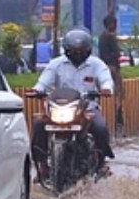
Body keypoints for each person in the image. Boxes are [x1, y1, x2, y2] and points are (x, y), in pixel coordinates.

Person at [31, 28, 115, 180]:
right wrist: (37, 90)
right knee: (38, 125)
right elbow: (43, 81)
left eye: (81, 51)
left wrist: (106, 88)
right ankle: (42, 165)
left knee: (100, 127)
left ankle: (101, 163)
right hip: (59, 109)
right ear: (67, 50)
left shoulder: (96, 65)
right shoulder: (56, 64)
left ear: (88, 50)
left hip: (86, 109)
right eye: (74, 51)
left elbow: (106, 80)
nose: (78, 54)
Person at [99, 14, 124, 137]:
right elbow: (117, 52)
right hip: (112, 68)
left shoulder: (101, 37)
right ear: (111, 24)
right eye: (115, 24)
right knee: (118, 94)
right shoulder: (110, 37)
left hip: (105, 67)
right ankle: (117, 121)